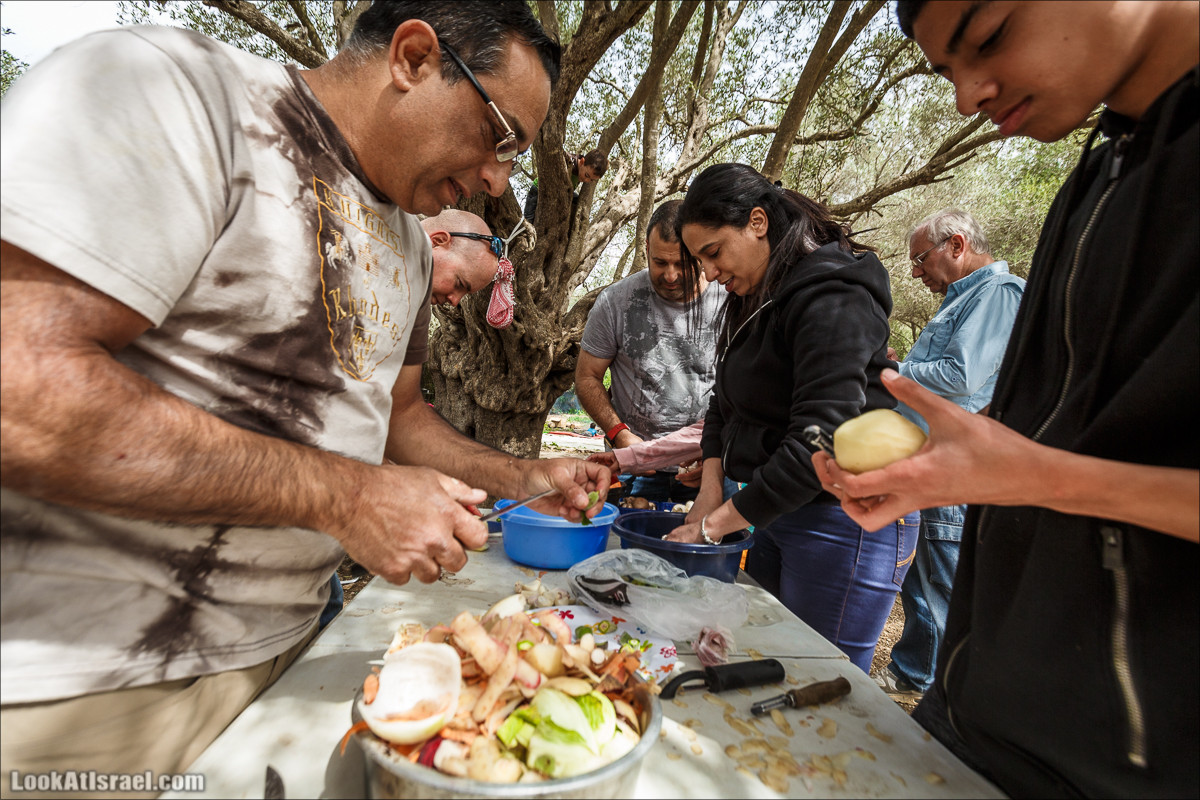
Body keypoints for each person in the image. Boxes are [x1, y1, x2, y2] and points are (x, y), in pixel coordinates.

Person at [0, 2, 611, 790]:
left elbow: (400, 420)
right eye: (500, 137)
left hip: (305, 646)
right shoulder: (175, 92)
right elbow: (20, 385)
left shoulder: (411, 249)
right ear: (415, 57)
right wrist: (347, 499)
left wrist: (522, 478)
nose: (497, 180)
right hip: (97, 679)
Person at [814, 2, 1197, 796]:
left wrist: (1029, 475)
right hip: (981, 722)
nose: (967, 96)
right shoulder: (1098, 173)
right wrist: (945, 469)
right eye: (946, 72)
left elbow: (1047, 467)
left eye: (988, 36)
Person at [663, 163, 919, 674]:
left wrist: (714, 528)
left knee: (819, 675)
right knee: (764, 658)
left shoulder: (834, 292)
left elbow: (818, 442)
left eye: (713, 254)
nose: (709, 273)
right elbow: (724, 401)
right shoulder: (755, 296)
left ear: (758, 222)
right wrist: (712, 485)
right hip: (774, 508)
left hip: (845, 519)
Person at [321, 208, 510, 629]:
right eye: (459, 284)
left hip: (314, 562)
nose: (456, 300)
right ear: (439, 241)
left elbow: (400, 412)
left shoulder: (417, 296)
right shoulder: (349, 251)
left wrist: (521, 477)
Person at [874, 209, 1025, 700]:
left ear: (956, 245)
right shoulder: (962, 300)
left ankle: (929, 692)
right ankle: (913, 678)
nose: (916, 273)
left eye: (920, 260)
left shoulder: (998, 294)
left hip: (955, 466)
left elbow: (963, 377)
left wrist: (896, 375)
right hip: (927, 464)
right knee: (920, 585)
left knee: (943, 583)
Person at [576, 199, 726, 503]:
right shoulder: (615, 302)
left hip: (709, 465)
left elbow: (743, 393)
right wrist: (619, 434)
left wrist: (716, 453)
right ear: (646, 248)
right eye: (660, 262)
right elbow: (587, 377)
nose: (670, 276)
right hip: (633, 468)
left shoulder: (730, 301)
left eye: (681, 264)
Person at [522, 148, 608, 223]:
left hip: (560, 194)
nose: (587, 180)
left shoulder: (581, 171)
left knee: (578, 201)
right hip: (538, 190)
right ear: (582, 162)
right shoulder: (568, 162)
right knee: (529, 221)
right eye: (587, 175)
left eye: (591, 180)